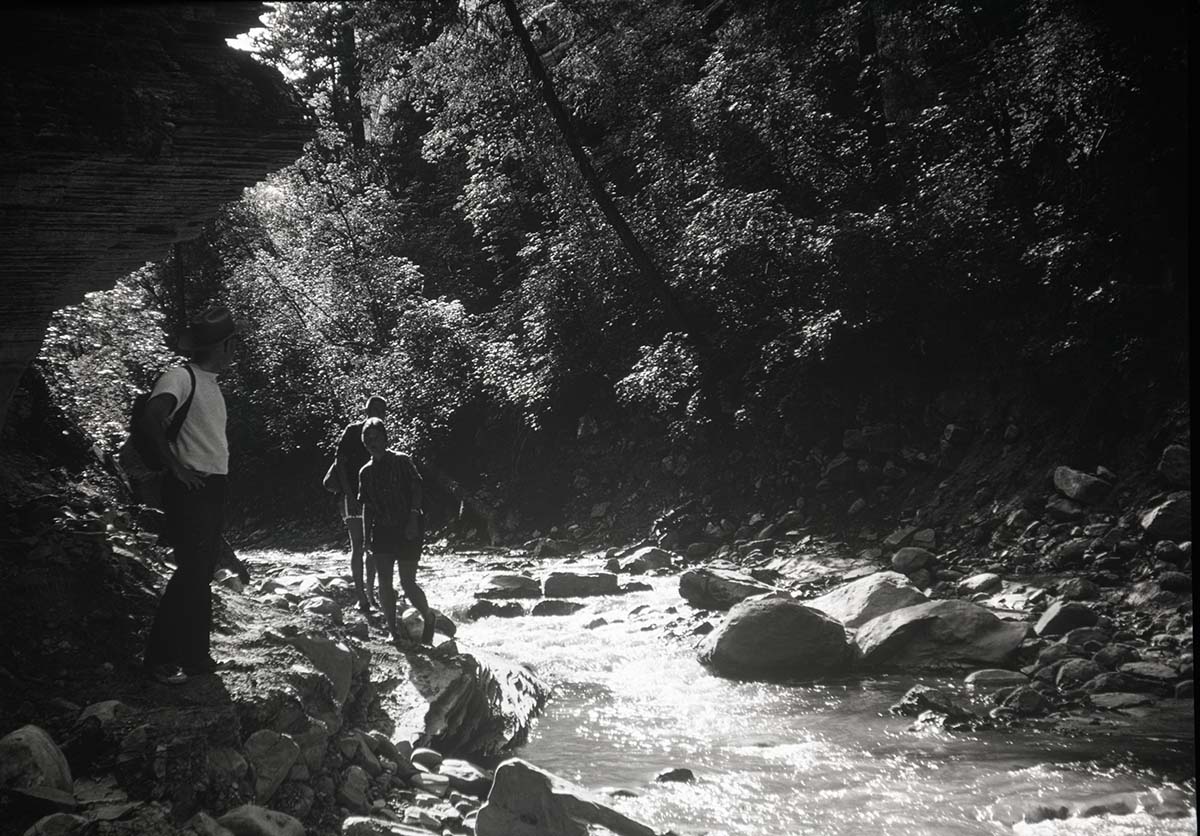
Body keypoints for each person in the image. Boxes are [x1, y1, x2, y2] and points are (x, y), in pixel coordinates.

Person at [140, 304, 239, 685]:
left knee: (200, 573)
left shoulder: (209, 382)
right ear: (224, 345)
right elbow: (152, 419)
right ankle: (158, 659)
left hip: (210, 485)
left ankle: (197, 657)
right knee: (191, 573)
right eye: (233, 344)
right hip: (189, 485)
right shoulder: (180, 377)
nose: (235, 351)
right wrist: (176, 467)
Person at [356, 417, 435, 647]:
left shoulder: (402, 461)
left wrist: (413, 518)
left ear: (385, 438)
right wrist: (366, 539)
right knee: (384, 581)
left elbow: (417, 490)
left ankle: (429, 617)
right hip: (382, 530)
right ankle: (393, 632)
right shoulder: (365, 472)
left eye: (376, 438)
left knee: (407, 582)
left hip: (408, 526)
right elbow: (366, 507)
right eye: (367, 439)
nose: (372, 443)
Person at [335, 395, 386, 612]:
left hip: (374, 498)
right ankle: (361, 597)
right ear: (365, 410)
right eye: (374, 409)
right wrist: (350, 495)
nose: (377, 413)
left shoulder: (381, 432)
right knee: (357, 545)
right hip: (353, 497)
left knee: (372, 546)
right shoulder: (352, 431)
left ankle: (371, 594)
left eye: (381, 410)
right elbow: (340, 463)